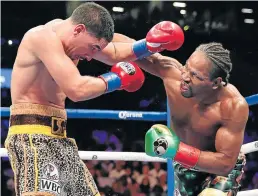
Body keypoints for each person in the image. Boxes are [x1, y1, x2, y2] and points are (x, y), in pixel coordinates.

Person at [4, 2, 184, 196]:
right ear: (79, 29)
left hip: (59, 136)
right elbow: (76, 89)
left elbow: (114, 53)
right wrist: (117, 79)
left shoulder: (74, 38)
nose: (90, 58)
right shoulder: (41, 37)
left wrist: (149, 45)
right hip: (32, 135)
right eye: (92, 48)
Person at [101, 24, 250, 195]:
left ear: (216, 83)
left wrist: (175, 150)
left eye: (195, 75)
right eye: (186, 67)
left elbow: (225, 164)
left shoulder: (232, 106)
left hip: (219, 171)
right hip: (185, 167)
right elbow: (129, 46)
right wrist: (95, 35)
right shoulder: (172, 75)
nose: (185, 77)